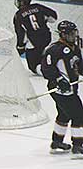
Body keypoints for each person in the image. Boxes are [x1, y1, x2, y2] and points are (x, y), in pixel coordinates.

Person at [41, 20, 83, 156]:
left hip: (71, 89)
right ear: (63, 35)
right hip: (59, 90)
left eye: (74, 33)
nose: (73, 36)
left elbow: (79, 66)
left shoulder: (75, 48)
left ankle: (57, 142)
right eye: (70, 33)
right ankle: (77, 146)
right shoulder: (54, 50)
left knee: (64, 115)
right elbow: (46, 68)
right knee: (79, 116)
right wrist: (58, 80)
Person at [13, 0, 57, 75]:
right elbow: (53, 17)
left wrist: (20, 47)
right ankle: (51, 65)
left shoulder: (18, 15)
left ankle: (48, 73)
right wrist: (43, 19)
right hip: (47, 38)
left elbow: (21, 33)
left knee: (33, 66)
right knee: (45, 57)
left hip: (34, 43)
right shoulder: (38, 7)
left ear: (22, 2)